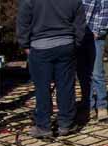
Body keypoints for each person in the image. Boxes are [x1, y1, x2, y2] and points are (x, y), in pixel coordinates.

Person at [16, 0, 86, 138]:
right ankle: (66, 124)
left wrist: (25, 45)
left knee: (42, 88)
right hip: (66, 45)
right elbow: (80, 24)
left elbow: (23, 22)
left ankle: (43, 126)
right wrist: (75, 43)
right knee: (65, 86)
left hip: (40, 47)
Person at [78, 0, 108, 121]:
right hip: (80, 37)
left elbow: (105, 15)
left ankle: (102, 106)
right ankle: (88, 105)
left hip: (95, 37)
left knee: (97, 73)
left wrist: (97, 32)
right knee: (83, 74)